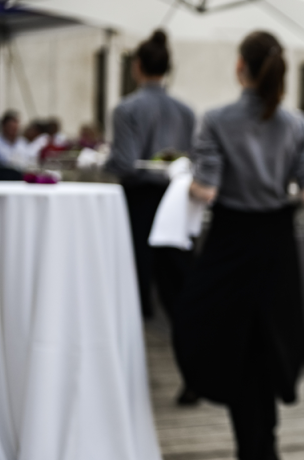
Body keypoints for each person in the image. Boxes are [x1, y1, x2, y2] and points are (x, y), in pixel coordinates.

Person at [172, 31, 304, 460]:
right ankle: (265, 443)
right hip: (276, 243)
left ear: (241, 67)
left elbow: (208, 191)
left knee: (227, 341)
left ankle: (250, 446)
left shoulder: (216, 119)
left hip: (231, 244)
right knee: (269, 343)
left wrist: (185, 182)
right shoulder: (297, 123)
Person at [104, 30, 196, 321]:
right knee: (174, 274)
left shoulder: (126, 109)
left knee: (137, 270)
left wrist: (103, 164)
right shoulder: (186, 111)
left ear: (137, 66)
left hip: (139, 199)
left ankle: (138, 326)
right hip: (175, 199)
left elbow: (126, 164)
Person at [0, 110, 29, 179]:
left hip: (20, 180)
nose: (13, 130)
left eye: (15, 128)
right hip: (0, 179)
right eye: (10, 127)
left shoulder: (23, 143)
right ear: (4, 126)